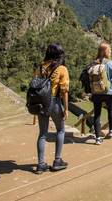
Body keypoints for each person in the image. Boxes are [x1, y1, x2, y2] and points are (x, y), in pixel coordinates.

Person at [35, 43, 69, 174]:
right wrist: (65, 108)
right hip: (54, 102)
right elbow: (64, 91)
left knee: (42, 134)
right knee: (60, 130)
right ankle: (57, 161)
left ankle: (40, 164)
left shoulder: (41, 67)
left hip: (41, 104)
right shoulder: (62, 69)